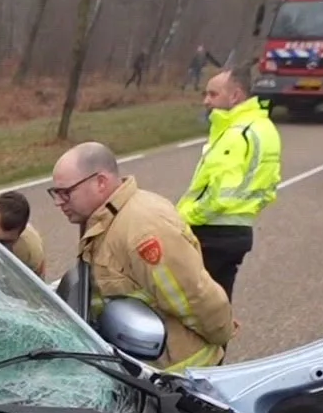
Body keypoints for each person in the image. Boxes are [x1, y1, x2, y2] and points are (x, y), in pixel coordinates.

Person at [50, 142, 234, 372]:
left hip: (177, 373)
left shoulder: (143, 230)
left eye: (65, 193)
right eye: (54, 194)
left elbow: (193, 297)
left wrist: (221, 334)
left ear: (100, 182)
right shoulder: (108, 219)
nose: (58, 202)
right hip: (147, 367)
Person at [177, 63, 281, 297]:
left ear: (235, 96)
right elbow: (270, 185)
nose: (206, 101)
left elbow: (219, 196)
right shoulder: (265, 128)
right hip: (240, 231)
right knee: (220, 300)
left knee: (190, 302)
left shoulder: (237, 134)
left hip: (211, 233)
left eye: (213, 94)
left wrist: (183, 217)